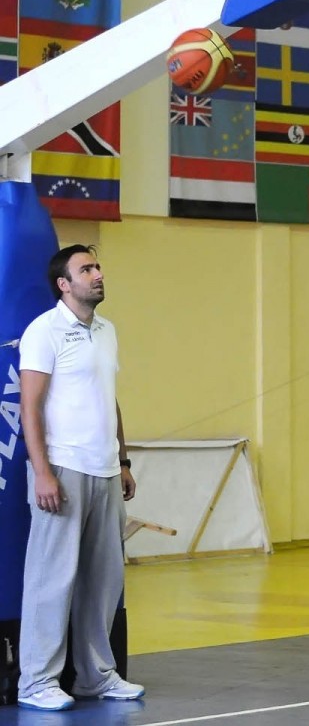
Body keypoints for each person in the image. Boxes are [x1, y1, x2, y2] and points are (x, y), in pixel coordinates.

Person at [16, 245, 144, 711]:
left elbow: (109, 398)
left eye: (97, 266)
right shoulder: (44, 331)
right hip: (63, 469)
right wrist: (43, 472)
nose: (97, 274)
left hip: (105, 470)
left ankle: (97, 675)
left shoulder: (107, 331)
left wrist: (123, 460)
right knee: (51, 580)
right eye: (86, 269)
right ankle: (36, 682)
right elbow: (30, 406)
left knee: (103, 582)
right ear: (63, 284)